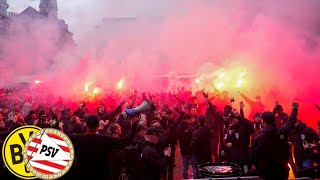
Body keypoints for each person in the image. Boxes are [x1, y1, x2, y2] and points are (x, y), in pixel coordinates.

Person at [70, 114, 138, 180]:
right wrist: (134, 124)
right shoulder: (104, 139)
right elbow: (126, 141)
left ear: (86, 124)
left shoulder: (77, 139)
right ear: (98, 125)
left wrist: (59, 127)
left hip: (83, 176)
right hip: (102, 176)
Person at [250, 102, 298, 180]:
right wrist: (295, 108)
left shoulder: (258, 138)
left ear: (263, 122)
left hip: (265, 174)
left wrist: (261, 167)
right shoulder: (282, 132)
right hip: (282, 172)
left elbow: (253, 158)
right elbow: (290, 122)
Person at [176, 114, 198, 179]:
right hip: (191, 151)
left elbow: (177, 137)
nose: (191, 121)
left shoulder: (178, 127)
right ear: (187, 119)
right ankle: (195, 178)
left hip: (183, 150)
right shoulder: (190, 128)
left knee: (185, 167)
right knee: (194, 166)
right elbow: (194, 138)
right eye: (190, 119)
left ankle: (185, 179)